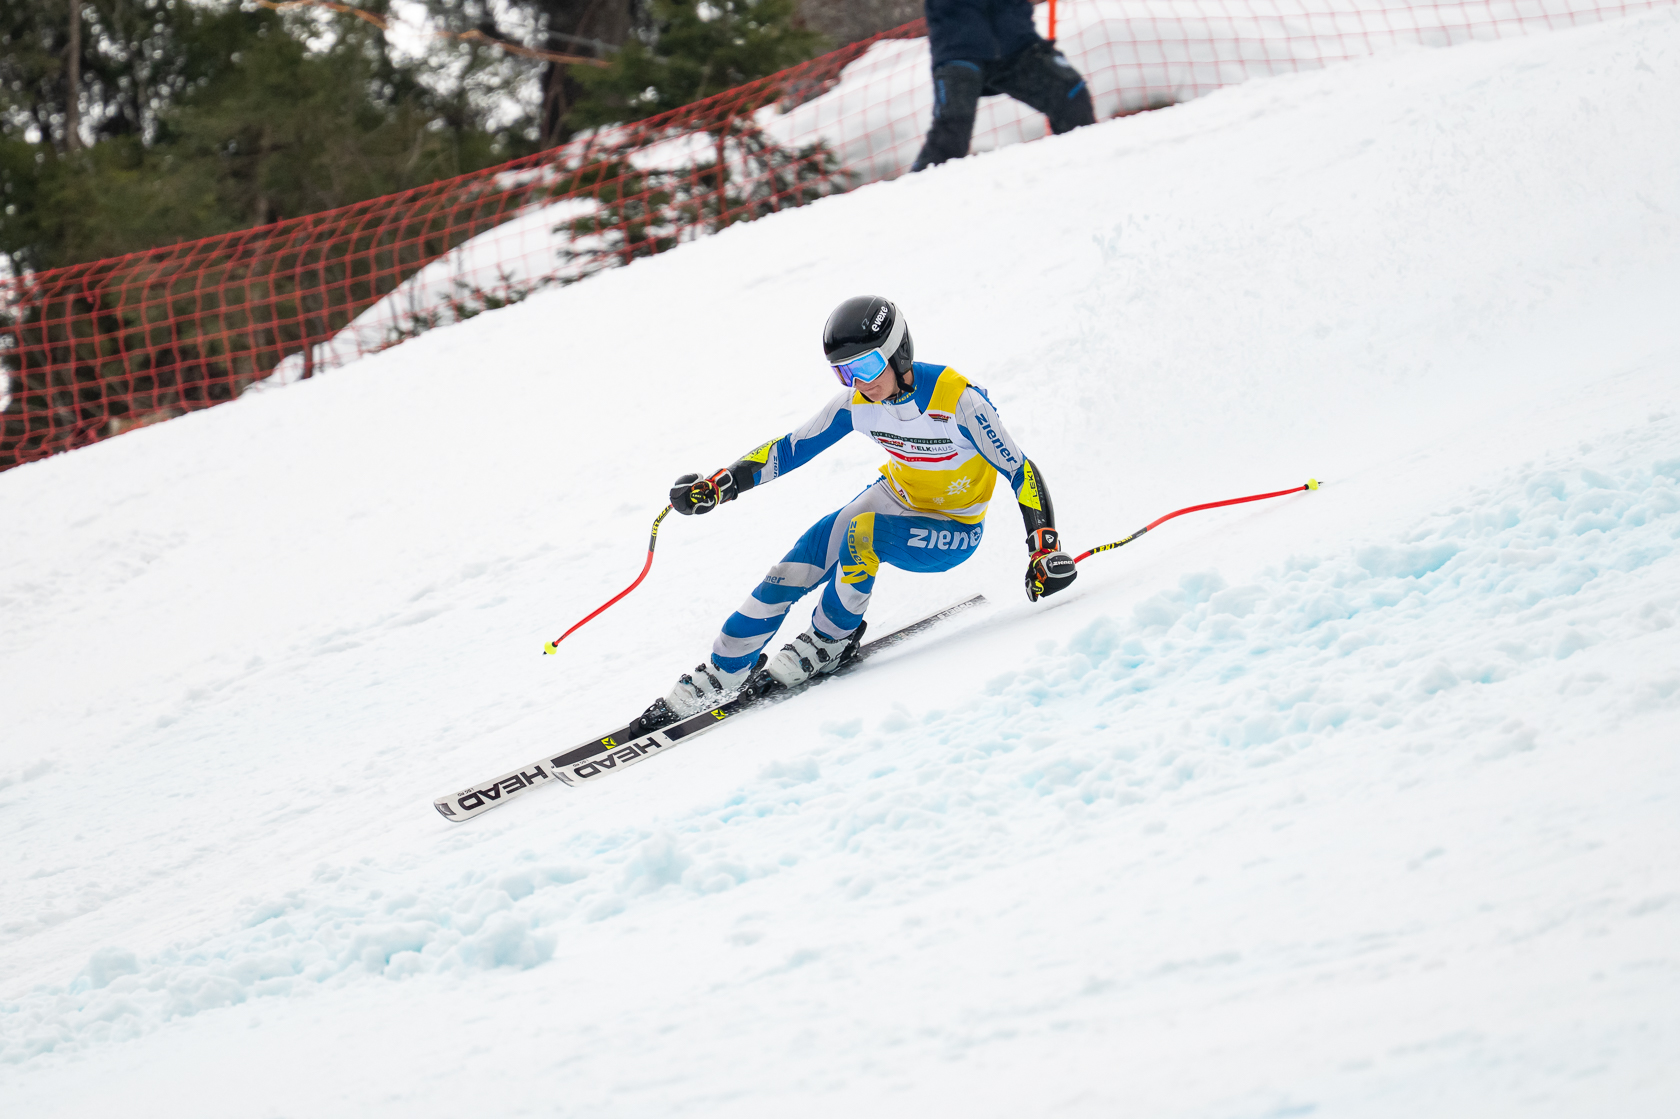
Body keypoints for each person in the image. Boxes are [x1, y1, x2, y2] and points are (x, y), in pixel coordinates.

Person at [647, 295, 1078, 724]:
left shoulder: (959, 402)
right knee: (797, 562)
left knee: (862, 535)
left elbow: (1020, 470)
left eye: (867, 367)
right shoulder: (858, 403)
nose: (859, 383)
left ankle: (830, 641)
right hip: (898, 496)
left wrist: (1043, 547)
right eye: (844, 372)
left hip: (955, 528)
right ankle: (725, 667)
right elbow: (790, 449)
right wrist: (721, 484)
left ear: (898, 353)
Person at [912, 0, 1096, 172]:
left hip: (1015, 41)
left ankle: (1082, 172)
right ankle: (913, 191)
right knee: (952, 132)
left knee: (1072, 94)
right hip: (959, 46)